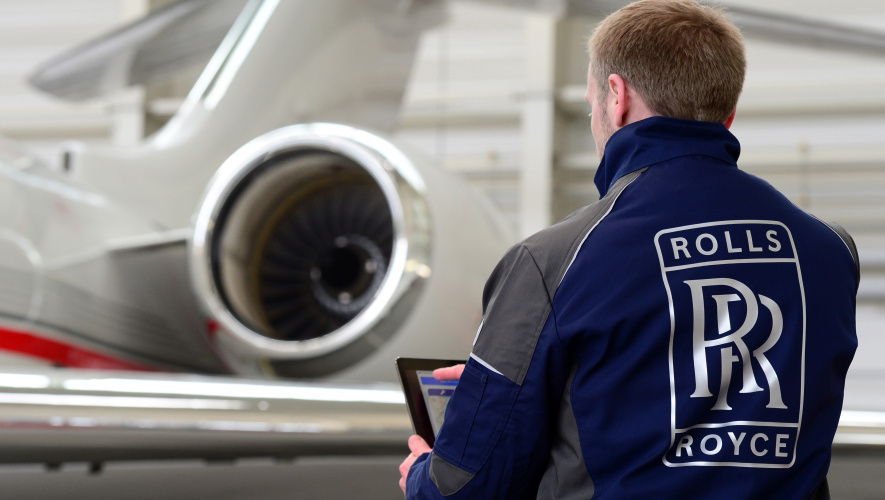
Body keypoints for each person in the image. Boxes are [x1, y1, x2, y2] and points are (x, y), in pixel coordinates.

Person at [399, 0, 859, 498]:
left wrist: (428, 473)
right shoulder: (831, 252)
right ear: (727, 115)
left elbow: (469, 489)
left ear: (615, 97)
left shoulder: (554, 261)